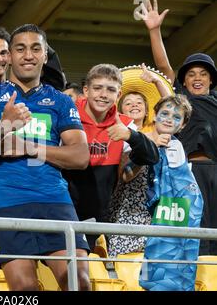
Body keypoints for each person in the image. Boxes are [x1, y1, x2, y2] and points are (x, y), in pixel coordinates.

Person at [0, 24, 91, 291]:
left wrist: (29, 146)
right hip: (7, 201)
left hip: (55, 201)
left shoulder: (61, 101)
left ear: (45, 56)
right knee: (25, 290)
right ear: (9, 56)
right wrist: (4, 126)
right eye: (20, 49)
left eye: (36, 49)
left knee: (78, 283)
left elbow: (80, 157)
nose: (28, 55)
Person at [138, 0, 217, 254]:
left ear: (211, 80)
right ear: (183, 80)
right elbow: (163, 67)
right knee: (192, 234)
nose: (197, 78)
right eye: (191, 74)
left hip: (216, 171)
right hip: (187, 172)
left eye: (203, 74)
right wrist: (154, 30)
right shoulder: (180, 101)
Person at [62, 64, 159, 250]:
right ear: (86, 90)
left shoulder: (124, 124)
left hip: (96, 216)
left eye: (111, 90)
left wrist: (131, 136)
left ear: (119, 94)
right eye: (97, 88)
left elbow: (152, 156)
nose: (103, 94)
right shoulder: (67, 115)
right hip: (62, 210)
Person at [107, 64, 173, 257]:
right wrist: (147, 145)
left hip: (156, 203)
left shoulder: (158, 130)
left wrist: (157, 81)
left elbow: (172, 108)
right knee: (124, 257)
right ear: (120, 111)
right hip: (125, 202)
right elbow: (123, 172)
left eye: (139, 102)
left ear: (147, 111)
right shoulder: (115, 132)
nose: (134, 105)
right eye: (128, 103)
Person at [140, 94, 203, 291]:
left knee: (181, 272)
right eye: (164, 113)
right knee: (155, 277)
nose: (169, 118)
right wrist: (150, 146)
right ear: (154, 116)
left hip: (183, 212)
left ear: (183, 125)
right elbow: (125, 174)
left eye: (176, 117)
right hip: (151, 215)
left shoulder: (177, 147)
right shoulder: (140, 140)